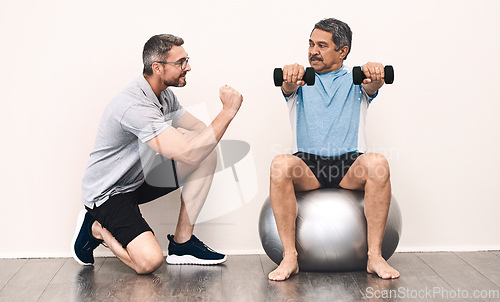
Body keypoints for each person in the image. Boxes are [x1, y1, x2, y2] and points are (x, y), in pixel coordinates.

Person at [72, 34, 243, 274]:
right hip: (109, 192)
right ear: (158, 68)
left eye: (187, 60)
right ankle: (95, 228)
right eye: (181, 62)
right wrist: (228, 111)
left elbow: (200, 133)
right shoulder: (134, 106)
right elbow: (189, 155)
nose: (188, 67)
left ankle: (183, 244)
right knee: (149, 263)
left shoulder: (164, 96)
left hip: (138, 179)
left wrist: (188, 140)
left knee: (206, 152)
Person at [268, 18, 400, 281]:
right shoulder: (301, 80)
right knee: (280, 163)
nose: (313, 51)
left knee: (378, 162)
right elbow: (288, 86)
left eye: (322, 45)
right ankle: (289, 257)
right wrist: (290, 75)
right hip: (308, 165)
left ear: (342, 51)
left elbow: (373, 85)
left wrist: (375, 73)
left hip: (349, 164)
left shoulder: (357, 80)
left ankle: (374, 256)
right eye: (310, 44)